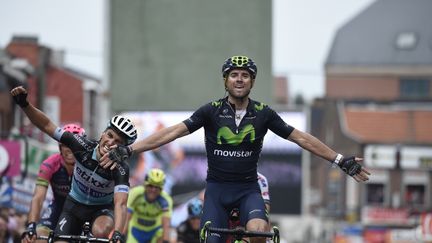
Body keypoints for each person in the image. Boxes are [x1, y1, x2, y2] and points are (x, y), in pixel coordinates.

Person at [102, 55, 371, 243]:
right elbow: (172, 132)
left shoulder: (264, 113)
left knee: (258, 230)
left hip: (247, 190)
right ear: (226, 80)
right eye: (234, 75)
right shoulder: (210, 111)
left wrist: (338, 159)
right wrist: (130, 150)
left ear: (252, 82)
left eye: (245, 76)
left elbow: (300, 137)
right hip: (217, 191)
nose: (239, 80)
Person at [10, 86, 137, 243]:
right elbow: (47, 125)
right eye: (110, 135)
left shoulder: (121, 169)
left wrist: (118, 233)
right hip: (74, 206)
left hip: (101, 209)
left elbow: (121, 203)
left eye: (118, 142)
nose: (111, 142)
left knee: (100, 230)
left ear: (122, 148)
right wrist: (25, 105)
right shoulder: (81, 145)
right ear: (103, 133)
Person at [22, 124, 85, 243]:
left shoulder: (87, 166)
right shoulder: (50, 164)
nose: (69, 149)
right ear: (60, 146)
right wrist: (31, 226)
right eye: (65, 144)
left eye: (73, 144)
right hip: (58, 208)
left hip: (82, 211)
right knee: (36, 239)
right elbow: (38, 198)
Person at [125, 168, 173, 243]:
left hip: (154, 232)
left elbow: (166, 224)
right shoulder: (135, 193)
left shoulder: (166, 200)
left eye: (157, 187)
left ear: (161, 188)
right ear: (145, 185)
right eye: (150, 186)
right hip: (135, 231)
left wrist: (166, 241)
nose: (153, 190)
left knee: (161, 235)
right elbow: (126, 217)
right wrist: (121, 235)